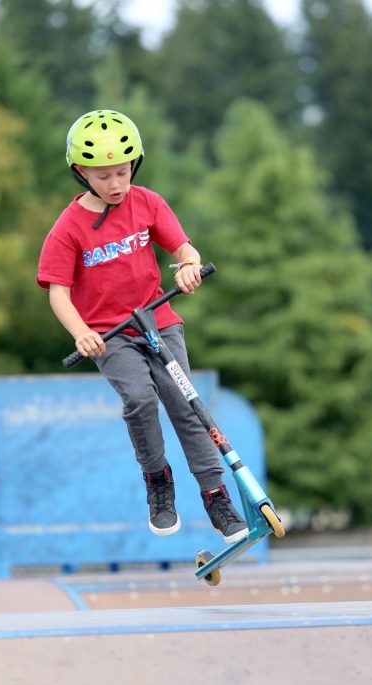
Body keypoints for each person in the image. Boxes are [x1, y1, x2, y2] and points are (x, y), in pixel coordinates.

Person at [36, 109, 247, 544]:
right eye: (104, 176)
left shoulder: (147, 202)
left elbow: (185, 249)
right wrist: (81, 332)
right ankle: (157, 481)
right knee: (139, 399)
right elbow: (58, 291)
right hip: (110, 337)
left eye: (123, 171)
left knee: (186, 403)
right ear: (81, 173)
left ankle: (215, 495)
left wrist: (187, 268)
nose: (116, 184)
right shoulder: (67, 228)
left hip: (159, 321)